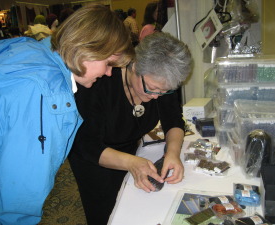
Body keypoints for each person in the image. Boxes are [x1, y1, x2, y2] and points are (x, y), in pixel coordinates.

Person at [0, 4, 134, 225]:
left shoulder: (33, 50)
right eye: (108, 63)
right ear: (88, 49)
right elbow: (19, 197)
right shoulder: (48, 95)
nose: (108, 73)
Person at [69, 32, 192, 225]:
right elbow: (86, 145)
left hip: (130, 149)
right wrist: (131, 163)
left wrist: (173, 153)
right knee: (106, 213)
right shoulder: (99, 81)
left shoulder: (161, 81)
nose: (156, 97)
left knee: (137, 207)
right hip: (93, 158)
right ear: (134, 66)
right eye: (151, 88)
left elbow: (174, 120)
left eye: (165, 91)